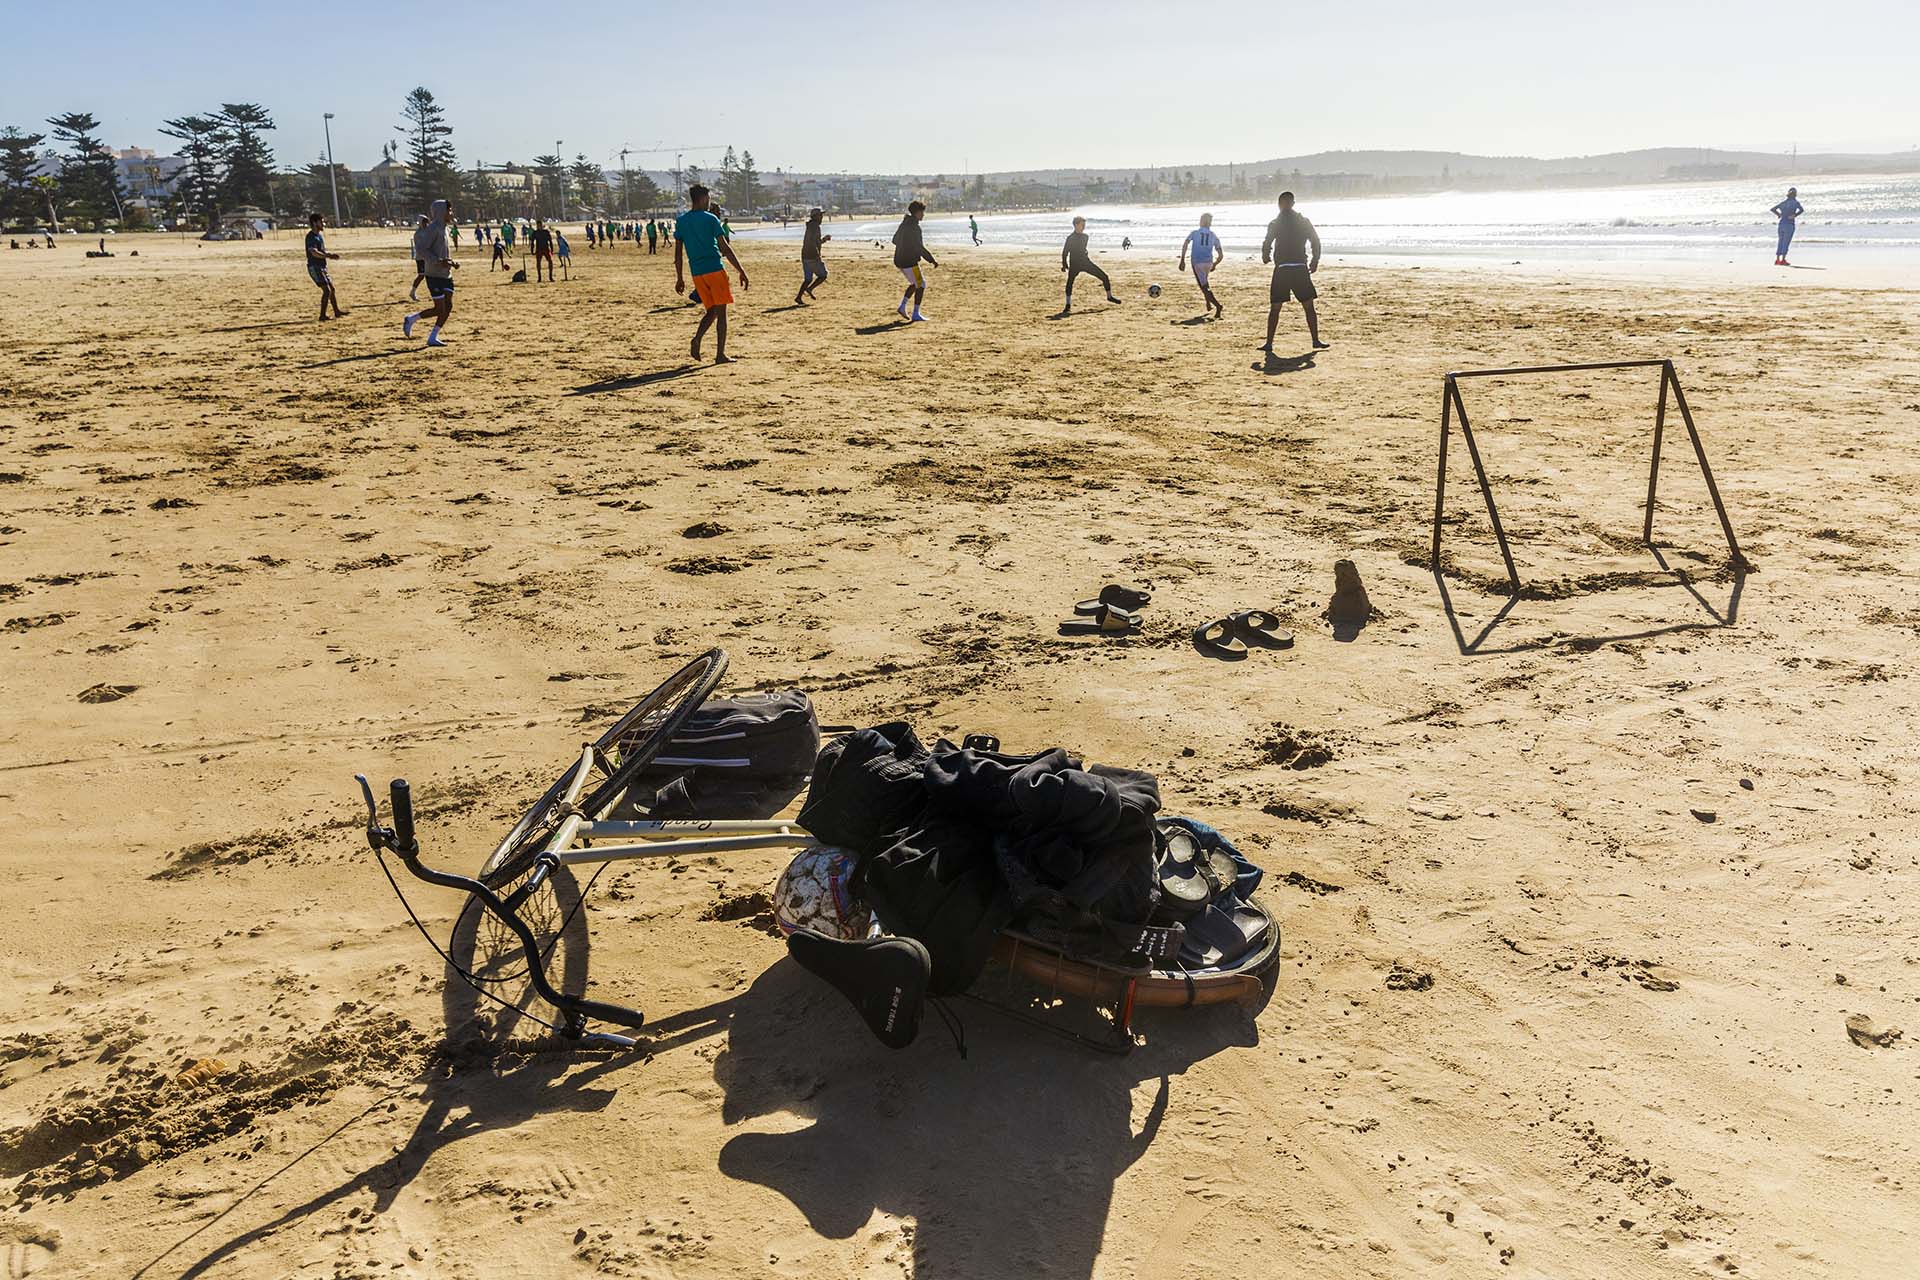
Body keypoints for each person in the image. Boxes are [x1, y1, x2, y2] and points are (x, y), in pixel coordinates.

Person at [674, 183, 750, 364]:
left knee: (712, 310)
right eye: (708, 199)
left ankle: (698, 338)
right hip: (715, 269)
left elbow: (678, 253)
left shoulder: (682, 221)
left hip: (697, 273)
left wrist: (679, 278)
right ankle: (720, 355)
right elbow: (725, 248)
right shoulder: (710, 219)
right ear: (702, 199)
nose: (709, 203)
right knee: (721, 313)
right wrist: (741, 271)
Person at [1260, 191, 1327, 352]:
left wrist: (1266, 255)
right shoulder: (1303, 221)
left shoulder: (1275, 223)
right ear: (1293, 203)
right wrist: (1315, 260)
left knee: (1275, 307)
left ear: (1280, 204)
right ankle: (1315, 340)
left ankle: (1269, 343)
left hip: (1282, 268)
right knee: (1308, 306)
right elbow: (1315, 241)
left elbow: (1267, 241)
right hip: (1299, 267)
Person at [402, 198, 458, 348]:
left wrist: (451, 262)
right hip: (433, 275)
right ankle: (412, 319)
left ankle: (433, 337)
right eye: (449, 210)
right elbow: (421, 249)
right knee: (439, 309)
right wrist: (438, 261)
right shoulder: (432, 229)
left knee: (448, 306)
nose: (451, 213)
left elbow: (443, 252)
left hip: (446, 274)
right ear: (441, 211)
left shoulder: (444, 228)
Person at [1060, 216, 1121, 313]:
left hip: (1086, 262)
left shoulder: (1085, 237)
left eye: (1084, 224)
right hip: (1074, 264)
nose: (1084, 226)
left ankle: (1109, 296)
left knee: (1104, 276)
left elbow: (1082, 249)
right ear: (1076, 225)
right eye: (1082, 224)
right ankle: (1068, 304)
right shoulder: (1070, 238)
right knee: (1070, 282)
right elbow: (1065, 252)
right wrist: (1064, 264)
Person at [892, 200, 937, 322]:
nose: (923, 215)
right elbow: (919, 247)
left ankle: (902, 307)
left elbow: (894, 240)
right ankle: (916, 313)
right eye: (921, 212)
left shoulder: (904, 223)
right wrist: (931, 260)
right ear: (916, 213)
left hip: (899, 260)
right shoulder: (915, 227)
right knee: (921, 284)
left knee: (915, 283)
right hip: (909, 261)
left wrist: (905, 245)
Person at [1178, 212, 1224, 319]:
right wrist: (1215, 264)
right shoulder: (1213, 235)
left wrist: (1182, 259)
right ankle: (1208, 303)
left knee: (1204, 287)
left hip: (1197, 262)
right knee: (1204, 284)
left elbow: (1185, 243)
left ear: (1202, 221)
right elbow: (1221, 255)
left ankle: (1218, 306)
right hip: (1208, 262)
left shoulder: (1194, 233)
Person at [304, 212, 348, 320]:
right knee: (327, 290)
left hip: (321, 266)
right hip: (315, 267)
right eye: (321, 222)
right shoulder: (311, 237)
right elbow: (313, 252)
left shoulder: (318, 236)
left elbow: (320, 251)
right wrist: (328, 256)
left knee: (331, 289)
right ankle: (322, 315)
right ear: (315, 223)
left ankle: (337, 311)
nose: (323, 224)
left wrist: (329, 255)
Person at [797, 207, 831, 304]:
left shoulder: (810, 226)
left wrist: (824, 240)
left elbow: (815, 241)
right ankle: (809, 289)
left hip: (804, 255)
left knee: (808, 279)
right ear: (816, 217)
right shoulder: (815, 227)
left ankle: (799, 297)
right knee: (823, 275)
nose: (822, 217)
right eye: (820, 215)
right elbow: (813, 242)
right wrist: (817, 254)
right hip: (812, 256)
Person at [1771, 187, 1803, 266]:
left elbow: (1773, 209)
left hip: (1781, 224)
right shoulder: (1795, 203)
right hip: (1789, 224)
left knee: (1780, 241)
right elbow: (1801, 210)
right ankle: (1783, 260)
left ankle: (1777, 259)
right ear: (1795, 195)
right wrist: (1795, 215)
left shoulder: (1783, 203)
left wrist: (1779, 214)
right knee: (1786, 242)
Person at [408, 213, 429, 300]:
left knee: (430, 275)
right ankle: (412, 292)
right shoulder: (418, 234)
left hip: (427, 257)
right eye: (424, 222)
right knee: (421, 275)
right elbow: (419, 247)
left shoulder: (427, 231)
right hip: (421, 258)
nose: (425, 224)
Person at [530, 217, 556, 282]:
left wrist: (552, 249)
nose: (539, 226)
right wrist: (532, 250)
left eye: (540, 225)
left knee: (550, 261)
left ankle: (550, 277)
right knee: (538, 263)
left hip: (546, 248)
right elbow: (532, 242)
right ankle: (539, 278)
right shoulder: (535, 232)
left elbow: (550, 241)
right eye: (538, 225)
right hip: (539, 249)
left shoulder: (546, 232)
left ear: (542, 225)